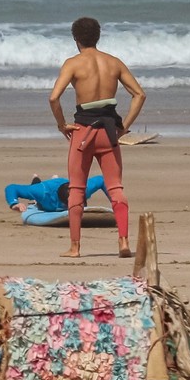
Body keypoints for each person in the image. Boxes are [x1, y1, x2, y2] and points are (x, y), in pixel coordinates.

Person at [48, 17, 146, 259]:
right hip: (109, 131)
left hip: (83, 132)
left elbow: (53, 98)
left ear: (75, 38)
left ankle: (75, 247)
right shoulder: (113, 62)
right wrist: (124, 127)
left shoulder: (73, 63)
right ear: (98, 37)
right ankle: (123, 241)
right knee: (115, 188)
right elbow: (139, 95)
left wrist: (61, 125)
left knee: (77, 189)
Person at [4, 174, 108, 214]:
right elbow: (12, 188)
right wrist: (14, 204)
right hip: (46, 191)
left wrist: (114, 202)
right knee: (36, 198)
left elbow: (101, 180)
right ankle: (36, 179)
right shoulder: (43, 192)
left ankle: (55, 178)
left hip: (63, 184)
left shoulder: (83, 189)